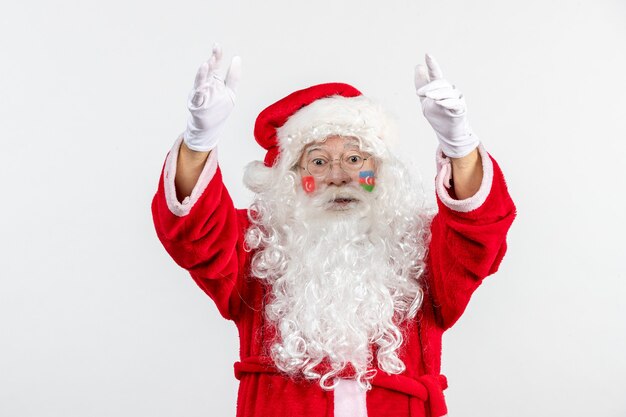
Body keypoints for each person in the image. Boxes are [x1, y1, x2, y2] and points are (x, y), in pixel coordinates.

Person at [151, 43, 516, 417]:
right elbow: (193, 232)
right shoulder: (261, 246)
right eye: (319, 161)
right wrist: (198, 143)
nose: (340, 177)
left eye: (356, 159)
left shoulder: (418, 246)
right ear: (293, 177)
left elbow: (480, 232)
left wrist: (460, 147)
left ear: (380, 169)